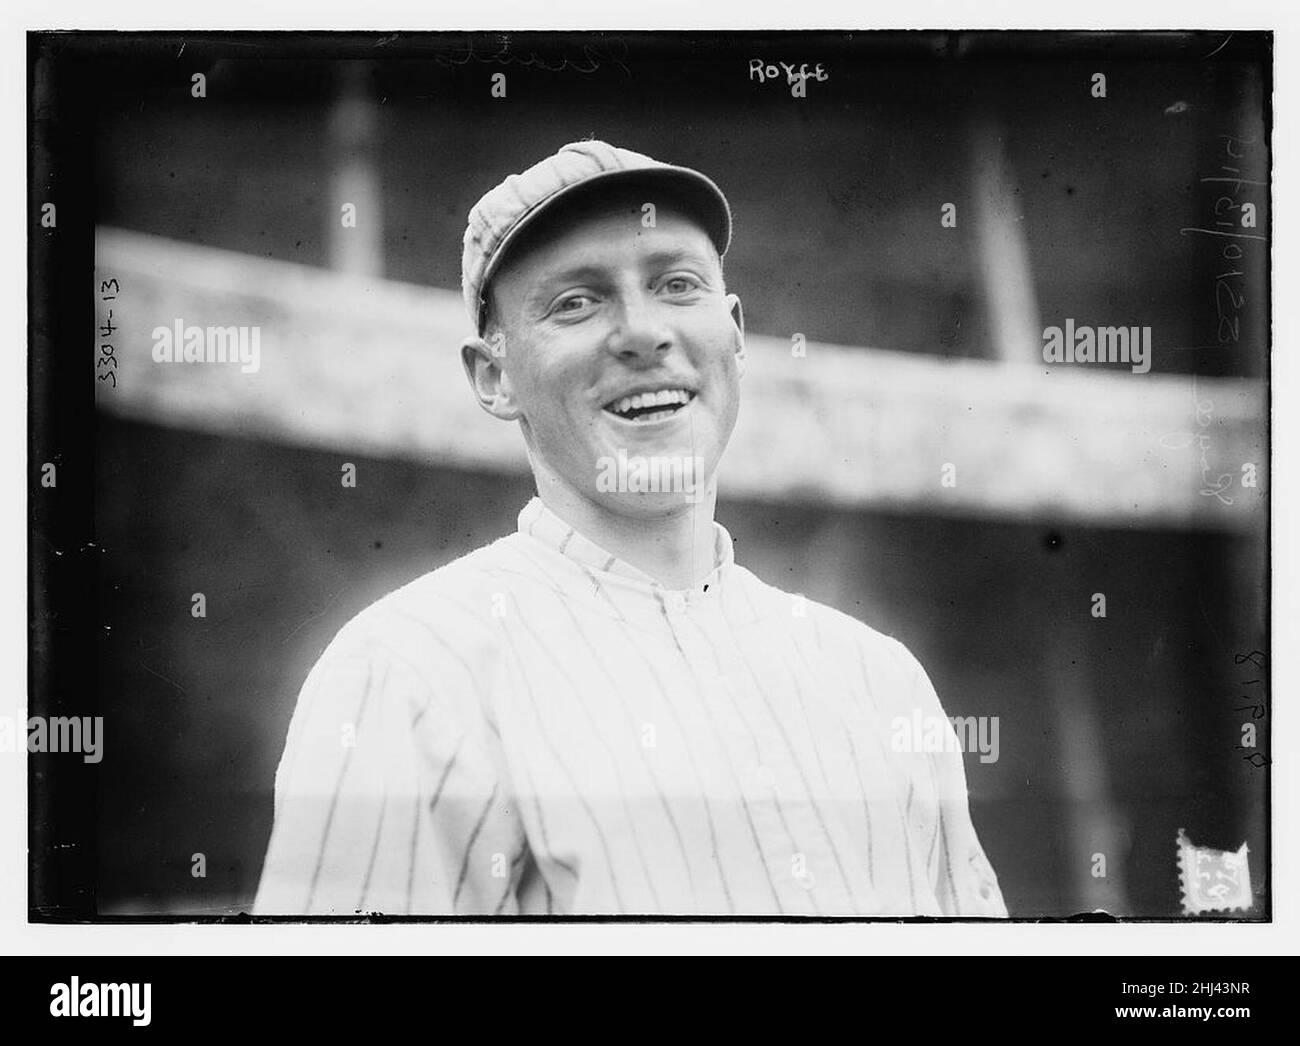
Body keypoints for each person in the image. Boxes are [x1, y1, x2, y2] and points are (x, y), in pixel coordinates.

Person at [253, 139, 1007, 917]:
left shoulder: (880, 683)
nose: (643, 333)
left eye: (678, 285)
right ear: (494, 375)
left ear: (736, 333)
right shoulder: (409, 673)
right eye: (576, 302)